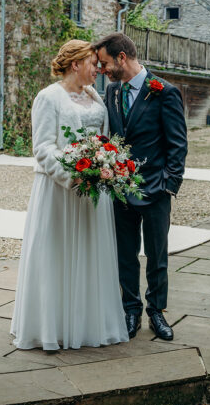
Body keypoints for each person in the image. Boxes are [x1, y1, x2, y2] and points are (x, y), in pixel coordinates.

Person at [10, 40, 129, 350]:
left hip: (93, 193)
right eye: (93, 63)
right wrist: (72, 174)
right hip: (59, 192)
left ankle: (89, 324)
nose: (98, 69)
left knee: (90, 254)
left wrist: (108, 165)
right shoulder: (48, 98)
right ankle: (53, 327)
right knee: (57, 256)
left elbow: (103, 140)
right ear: (76, 64)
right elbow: (42, 148)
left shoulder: (94, 96)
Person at [94, 33, 187, 341]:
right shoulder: (112, 92)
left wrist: (168, 186)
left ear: (122, 58)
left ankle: (156, 312)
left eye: (106, 63)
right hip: (120, 187)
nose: (103, 70)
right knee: (125, 253)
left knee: (157, 254)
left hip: (156, 189)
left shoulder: (165, 92)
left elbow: (177, 145)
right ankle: (130, 310)